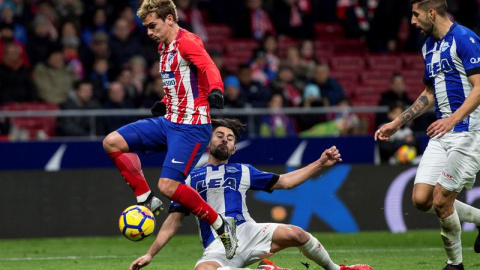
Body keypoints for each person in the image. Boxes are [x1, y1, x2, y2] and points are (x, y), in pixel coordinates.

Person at [129, 118, 373, 270]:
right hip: (218, 244)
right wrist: (150, 254)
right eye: (220, 135)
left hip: (249, 231)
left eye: (230, 138)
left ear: (234, 148)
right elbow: (173, 222)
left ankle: (337, 269)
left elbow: (286, 182)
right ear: (208, 141)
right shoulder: (189, 179)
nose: (225, 140)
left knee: (297, 233)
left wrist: (320, 163)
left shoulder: (243, 171)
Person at [102, 0, 237, 260]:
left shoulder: (188, 42)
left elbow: (208, 67)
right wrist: (165, 104)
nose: (149, 32)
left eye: (153, 26)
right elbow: (184, 83)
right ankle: (146, 199)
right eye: (146, 27)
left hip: (191, 127)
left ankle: (221, 225)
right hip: (170, 121)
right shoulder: (164, 47)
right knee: (112, 142)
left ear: (170, 20)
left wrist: (218, 89)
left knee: (168, 185)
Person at [375, 1, 480, 269]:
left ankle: (455, 264)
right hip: (442, 132)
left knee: (442, 199)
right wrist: (397, 123)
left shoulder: (465, 38)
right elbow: (428, 94)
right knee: (421, 200)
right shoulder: (428, 47)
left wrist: (454, 118)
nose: (412, 21)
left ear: (431, 13)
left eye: (416, 14)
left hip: (469, 131)